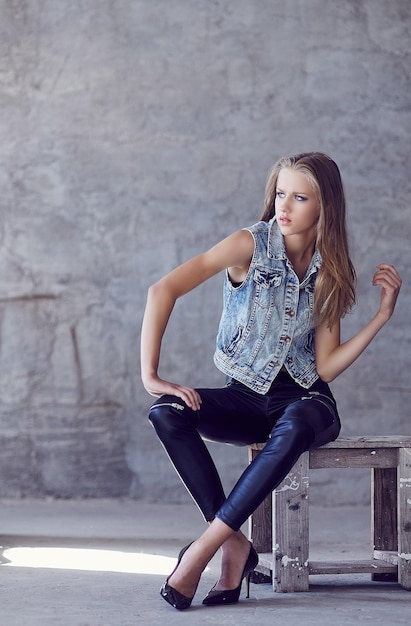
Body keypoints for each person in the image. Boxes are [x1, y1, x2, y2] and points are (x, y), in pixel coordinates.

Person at [140, 152, 401, 610]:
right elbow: (162, 289)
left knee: (299, 418)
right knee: (166, 412)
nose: (285, 206)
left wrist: (380, 317)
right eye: (281, 193)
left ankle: (203, 549)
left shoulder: (330, 270)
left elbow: (324, 369)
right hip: (246, 396)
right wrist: (152, 376)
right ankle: (234, 544)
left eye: (300, 197)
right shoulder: (249, 245)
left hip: (305, 400)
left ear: (325, 206)